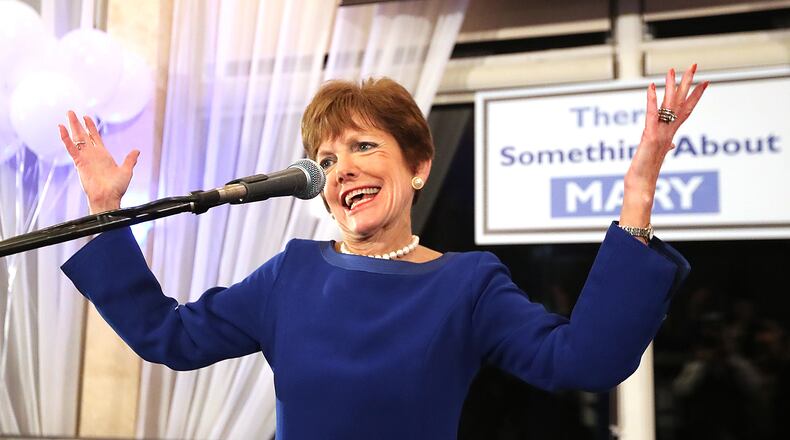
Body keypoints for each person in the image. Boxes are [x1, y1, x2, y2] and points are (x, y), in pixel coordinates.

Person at [59, 66, 707, 439]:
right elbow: (167, 335)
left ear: (419, 165)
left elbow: (584, 360)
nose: (341, 170)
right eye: (326, 159)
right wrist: (105, 215)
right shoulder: (292, 275)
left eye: (364, 147)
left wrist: (639, 189)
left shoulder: (469, 284)